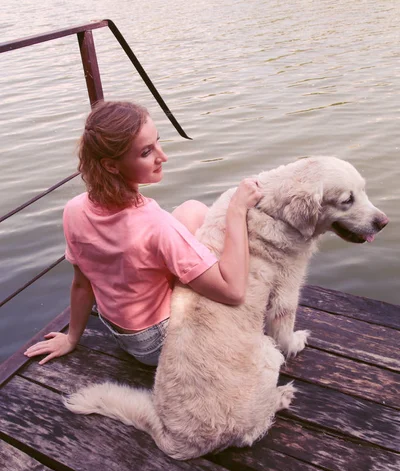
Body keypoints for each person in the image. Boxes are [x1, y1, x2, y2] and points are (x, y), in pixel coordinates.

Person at [25, 100, 262, 366]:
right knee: (233, 273)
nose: (163, 157)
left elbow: (82, 283)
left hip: (120, 334)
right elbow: (233, 292)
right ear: (112, 165)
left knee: (191, 210)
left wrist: (71, 339)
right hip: (160, 345)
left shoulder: (74, 210)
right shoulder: (155, 224)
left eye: (158, 142)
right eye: (147, 152)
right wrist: (237, 210)